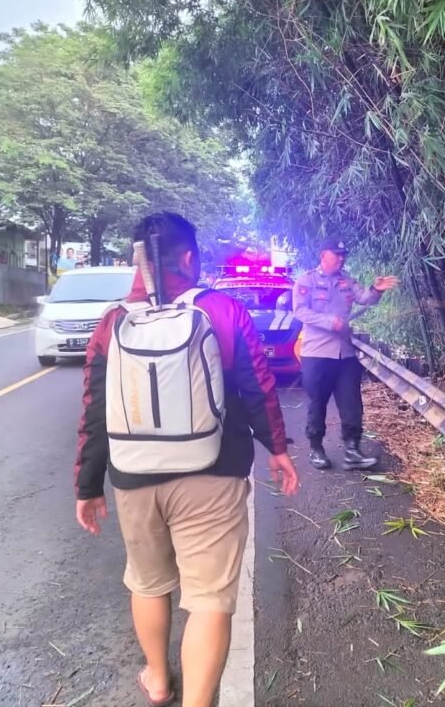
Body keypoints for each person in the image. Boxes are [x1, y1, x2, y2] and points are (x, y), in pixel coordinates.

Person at [74, 212, 299, 707]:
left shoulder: (113, 322)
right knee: (209, 600)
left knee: (149, 581)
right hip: (212, 472)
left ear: (136, 260)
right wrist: (277, 451)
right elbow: (257, 387)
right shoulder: (223, 310)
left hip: (134, 476)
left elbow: (94, 408)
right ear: (190, 257)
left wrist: (87, 486)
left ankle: (157, 679)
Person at [292, 236, 399, 471]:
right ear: (323, 256)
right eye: (336, 254)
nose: (341, 258)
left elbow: (364, 298)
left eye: (343, 255)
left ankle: (352, 450)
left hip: (344, 354)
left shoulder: (347, 280)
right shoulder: (306, 280)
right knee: (317, 403)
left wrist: (376, 289)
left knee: (352, 403)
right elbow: (300, 311)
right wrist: (331, 322)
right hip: (316, 353)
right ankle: (316, 449)